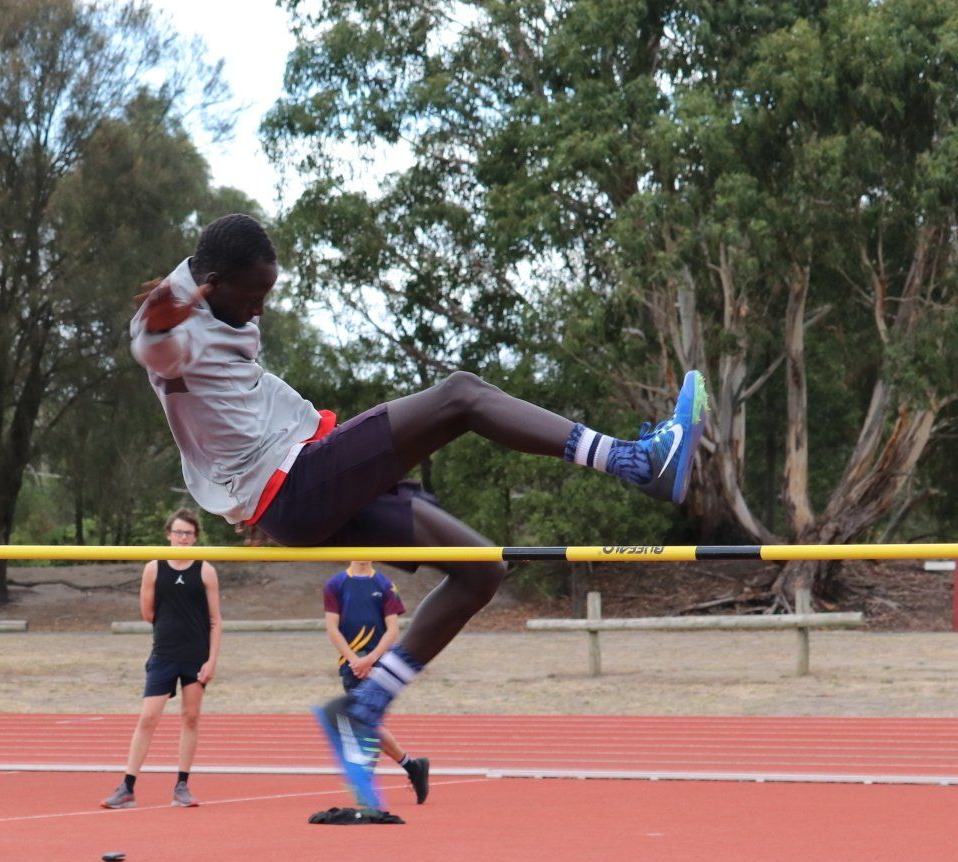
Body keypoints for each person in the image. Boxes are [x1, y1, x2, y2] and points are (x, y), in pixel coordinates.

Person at [129, 213, 706, 809]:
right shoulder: (172, 327)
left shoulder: (210, 299)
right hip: (292, 483)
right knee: (461, 395)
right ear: (214, 281)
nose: (260, 310)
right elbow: (157, 348)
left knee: (482, 569)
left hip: (299, 478)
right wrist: (159, 329)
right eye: (253, 297)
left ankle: (365, 707)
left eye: (267, 295)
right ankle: (636, 463)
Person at [101, 508, 222, 810]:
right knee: (148, 718)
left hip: (195, 656)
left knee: (190, 717)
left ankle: (182, 785)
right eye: (179, 532)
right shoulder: (153, 569)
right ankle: (127, 787)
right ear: (168, 534)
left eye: (189, 534)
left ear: (196, 538)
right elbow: (148, 613)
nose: (183, 538)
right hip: (165, 654)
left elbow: (215, 621)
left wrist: (211, 660)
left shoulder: (205, 570)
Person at [324, 561, 429, 804]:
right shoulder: (336, 584)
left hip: (378, 665)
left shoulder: (384, 585)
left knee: (363, 721)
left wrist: (370, 660)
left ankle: (367, 781)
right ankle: (412, 767)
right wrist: (354, 660)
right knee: (366, 722)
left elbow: (392, 630)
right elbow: (332, 628)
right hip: (351, 665)